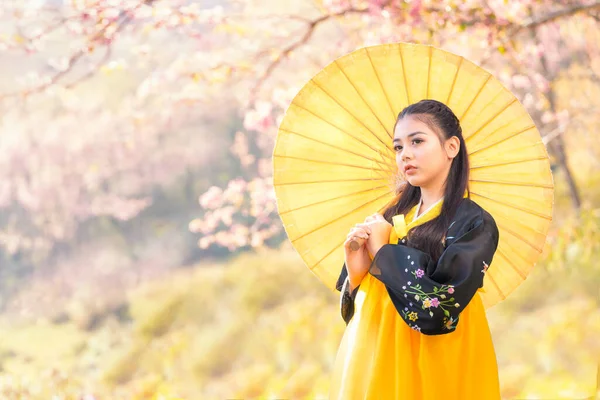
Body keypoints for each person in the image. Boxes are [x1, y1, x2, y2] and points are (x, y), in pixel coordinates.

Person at [329, 99, 501, 400]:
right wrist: (356, 278)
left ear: (451, 147)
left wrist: (383, 253)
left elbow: (440, 310)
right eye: (398, 147)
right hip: (380, 357)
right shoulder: (386, 218)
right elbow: (356, 313)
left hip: (440, 361)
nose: (405, 154)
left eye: (417, 141)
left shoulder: (474, 223)